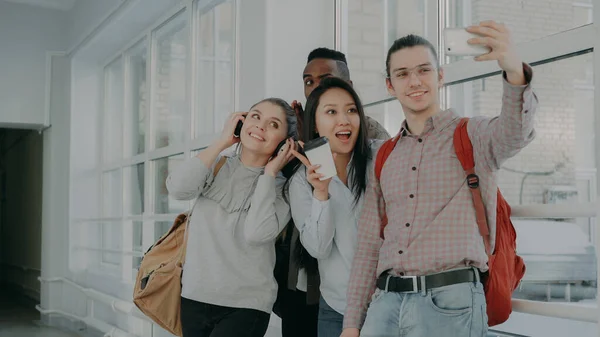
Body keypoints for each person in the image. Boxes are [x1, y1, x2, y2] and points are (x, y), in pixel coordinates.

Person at [341, 21, 539, 337]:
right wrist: (352, 324)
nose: (415, 81)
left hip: (451, 302)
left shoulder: (472, 135)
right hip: (385, 305)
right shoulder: (384, 155)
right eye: (402, 74)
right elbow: (368, 245)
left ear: (440, 76)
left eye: (424, 70)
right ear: (390, 85)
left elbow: (515, 131)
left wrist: (514, 71)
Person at [275, 48, 391, 337]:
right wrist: (321, 194)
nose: (343, 120)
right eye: (331, 112)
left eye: (351, 110)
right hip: (335, 304)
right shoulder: (305, 173)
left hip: (389, 303)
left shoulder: (381, 154)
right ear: (315, 120)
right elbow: (318, 248)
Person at [166, 98, 299, 337]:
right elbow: (177, 189)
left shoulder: (282, 189)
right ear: (240, 122)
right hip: (194, 296)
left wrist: (269, 174)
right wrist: (221, 142)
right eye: (255, 116)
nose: (260, 126)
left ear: (284, 144)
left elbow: (257, 233)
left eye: (273, 124)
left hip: (246, 305)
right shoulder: (216, 164)